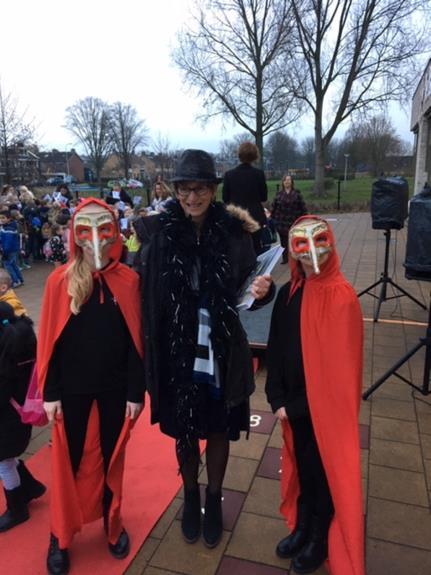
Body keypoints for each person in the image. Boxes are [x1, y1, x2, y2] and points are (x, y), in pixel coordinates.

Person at [135, 149, 274, 549]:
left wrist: (266, 292)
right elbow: (138, 286)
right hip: (177, 345)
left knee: (216, 425)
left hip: (221, 347)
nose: (192, 197)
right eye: (184, 189)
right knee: (184, 428)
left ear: (213, 190)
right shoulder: (157, 234)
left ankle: (213, 498)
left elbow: (252, 286)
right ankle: (189, 495)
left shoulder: (234, 232)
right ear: (175, 191)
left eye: (199, 189)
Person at [37, 198, 145, 575]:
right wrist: (50, 392)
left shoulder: (129, 281)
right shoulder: (59, 281)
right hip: (72, 391)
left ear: (115, 231)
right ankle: (60, 535)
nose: (95, 238)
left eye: (104, 228)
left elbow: (136, 343)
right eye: (86, 230)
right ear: (74, 235)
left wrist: (136, 391)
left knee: (113, 459)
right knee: (68, 464)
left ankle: (112, 523)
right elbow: (50, 341)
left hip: (115, 389)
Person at [265, 216, 364, 575]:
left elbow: (339, 373)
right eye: (300, 245)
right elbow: (276, 347)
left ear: (330, 243)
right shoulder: (289, 292)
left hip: (320, 410)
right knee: (304, 467)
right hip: (292, 406)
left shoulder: (342, 298)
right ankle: (304, 526)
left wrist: (297, 406)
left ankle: (320, 535)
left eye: (316, 242)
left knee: (322, 471)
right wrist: (276, 395)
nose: (309, 253)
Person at [0, 302, 46, 532]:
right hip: (19, 414)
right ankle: (30, 487)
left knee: (3, 462)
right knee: (8, 457)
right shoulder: (20, 336)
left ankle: (17, 509)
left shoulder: (5, 351)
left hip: (7, 418)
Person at [222, 141, 268, 254]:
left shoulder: (229, 174)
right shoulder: (259, 174)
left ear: (239, 155)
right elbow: (263, 197)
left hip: (236, 218)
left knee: (237, 250)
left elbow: (225, 198)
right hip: (255, 217)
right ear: (254, 156)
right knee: (256, 248)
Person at [271, 175, 307, 263]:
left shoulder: (297, 193)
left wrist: (305, 218)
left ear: (292, 182)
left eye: (289, 180)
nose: (287, 182)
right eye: (285, 180)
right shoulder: (279, 194)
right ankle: (285, 258)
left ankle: (295, 257)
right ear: (283, 182)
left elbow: (303, 207)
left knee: (294, 240)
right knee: (283, 242)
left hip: (294, 221)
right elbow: (274, 207)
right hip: (282, 222)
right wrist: (273, 218)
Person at [0, 210, 25, 288]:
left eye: (3, 218)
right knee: (14, 265)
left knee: (9, 266)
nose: (1, 219)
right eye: (0, 218)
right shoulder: (8, 227)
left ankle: (16, 281)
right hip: (12, 250)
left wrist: (5, 252)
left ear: (9, 218)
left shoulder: (9, 229)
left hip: (9, 250)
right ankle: (20, 279)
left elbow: (8, 242)